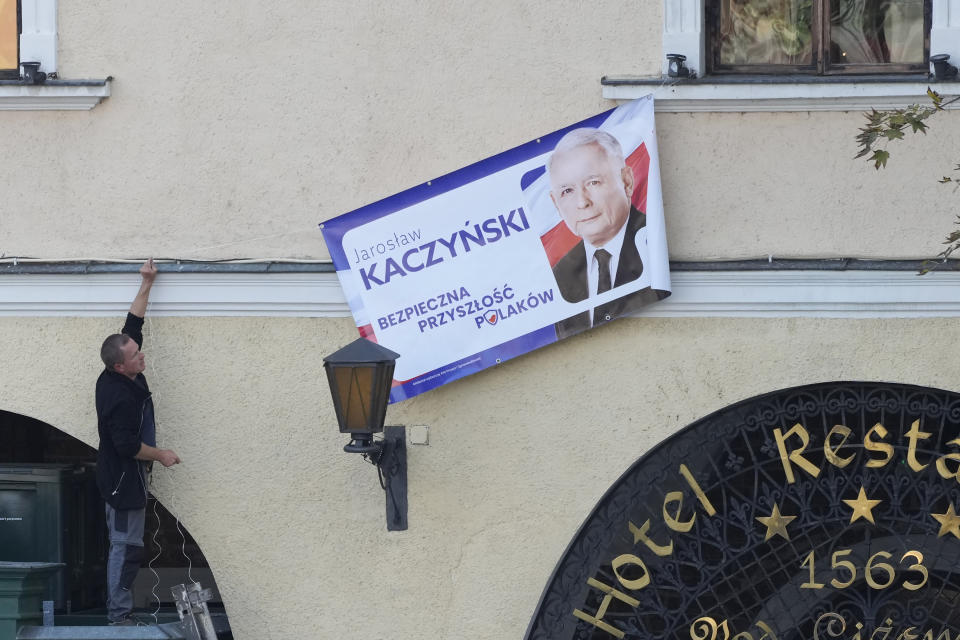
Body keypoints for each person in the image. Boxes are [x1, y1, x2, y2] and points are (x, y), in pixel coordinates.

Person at [95, 258, 181, 625]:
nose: (141, 354)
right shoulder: (118, 396)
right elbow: (127, 447)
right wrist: (160, 455)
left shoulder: (124, 364)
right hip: (122, 481)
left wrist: (146, 282)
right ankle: (119, 616)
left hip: (129, 477)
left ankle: (121, 611)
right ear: (120, 366)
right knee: (126, 547)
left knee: (127, 545)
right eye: (135, 356)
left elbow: (133, 326)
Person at [547, 128, 665, 339]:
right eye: (567, 191)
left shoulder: (656, 242)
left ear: (627, 181)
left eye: (593, 182)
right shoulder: (558, 277)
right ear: (555, 203)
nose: (582, 202)